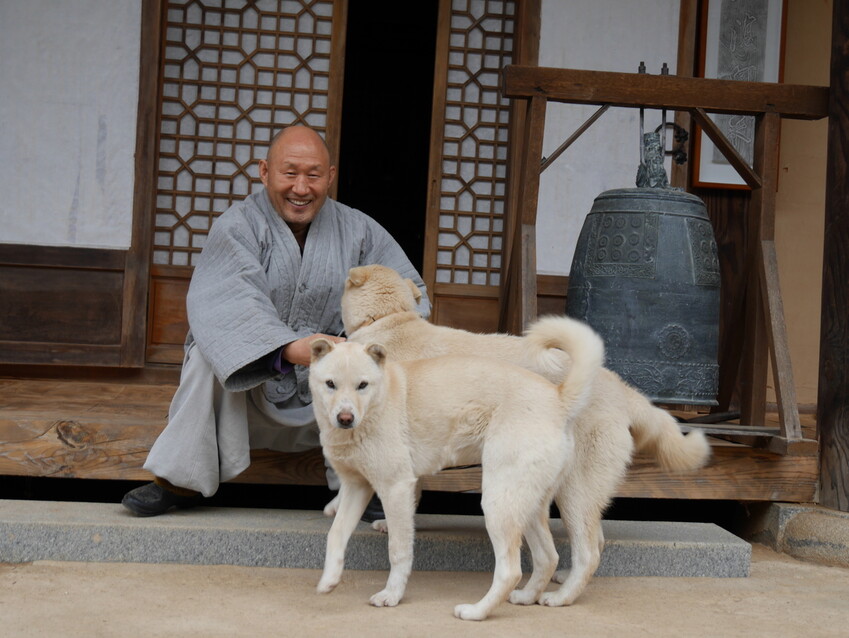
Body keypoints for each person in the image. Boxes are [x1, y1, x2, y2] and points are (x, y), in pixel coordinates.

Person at [122, 125, 430, 517]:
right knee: (205, 353)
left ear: (330, 177)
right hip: (253, 395)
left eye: (313, 175)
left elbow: (408, 299)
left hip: (337, 398)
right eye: (290, 173)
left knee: (388, 359)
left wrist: (356, 348)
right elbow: (226, 304)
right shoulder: (238, 226)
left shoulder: (360, 231)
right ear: (264, 172)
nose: (301, 187)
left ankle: (366, 486)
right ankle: (180, 481)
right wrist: (288, 349)